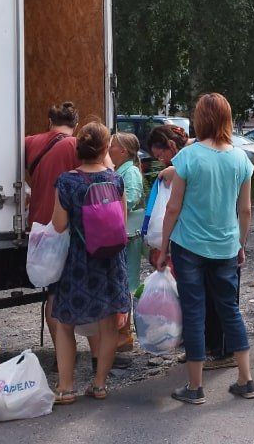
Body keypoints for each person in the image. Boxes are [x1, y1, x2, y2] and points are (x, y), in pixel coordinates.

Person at [155, 93, 254, 404]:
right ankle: (246, 379)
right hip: (226, 246)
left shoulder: (189, 157)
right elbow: (246, 209)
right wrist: (241, 243)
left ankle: (196, 387)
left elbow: (173, 208)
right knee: (230, 311)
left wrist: (163, 248)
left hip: (189, 247)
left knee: (195, 312)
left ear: (200, 119)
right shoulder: (240, 159)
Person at [50, 121, 131, 404]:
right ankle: (99, 385)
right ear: (106, 148)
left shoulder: (67, 182)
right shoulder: (116, 179)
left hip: (80, 262)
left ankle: (66, 388)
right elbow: (121, 218)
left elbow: (59, 226)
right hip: (110, 262)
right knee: (109, 326)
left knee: (65, 323)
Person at [147, 125, 237, 370]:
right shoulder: (216, 150)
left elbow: (176, 204)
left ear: (170, 145)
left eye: (160, 154)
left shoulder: (190, 154)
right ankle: (211, 353)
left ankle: (215, 354)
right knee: (212, 299)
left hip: (200, 237)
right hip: (219, 235)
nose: (160, 160)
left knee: (206, 301)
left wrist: (163, 246)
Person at [24, 102, 100, 371]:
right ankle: (95, 358)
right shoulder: (73, 145)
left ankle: (61, 356)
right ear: (76, 124)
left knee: (53, 294)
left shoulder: (30, 143)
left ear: (49, 120)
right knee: (85, 292)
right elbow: (100, 172)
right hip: (68, 228)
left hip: (40, 231)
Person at [108, 132, 144, 351]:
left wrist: (105, 204)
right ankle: (121, 331)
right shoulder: (124, 170)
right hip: (123, 233)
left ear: (122, 151)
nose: (109, 149)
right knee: (122, 282)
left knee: (127, 282)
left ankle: (124, 334)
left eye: (112, 145)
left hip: (128, 235)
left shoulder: (129, 172)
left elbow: (129, 200)